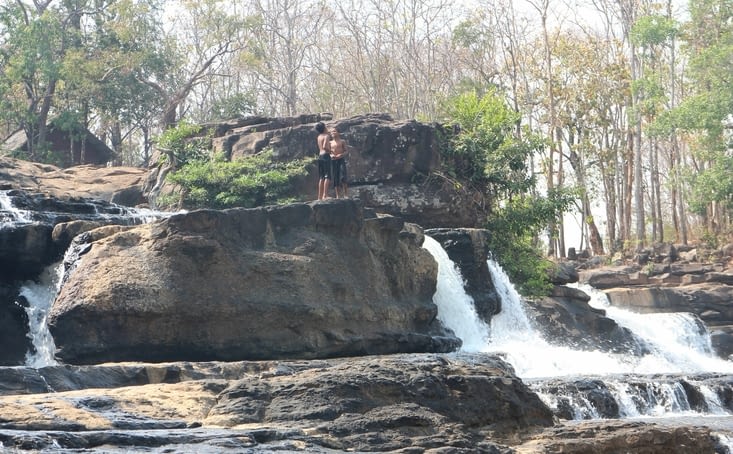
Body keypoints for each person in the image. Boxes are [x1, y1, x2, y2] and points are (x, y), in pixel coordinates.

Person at [329, 128, 349, 198]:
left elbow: (346, 151)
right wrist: (331, 155)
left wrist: (341, 155)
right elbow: (328, 152)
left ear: (338, 132)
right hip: (334, 161)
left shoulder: (342, 141)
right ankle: (337, 195)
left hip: (341, 160)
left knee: (343, 176)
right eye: (331, 132)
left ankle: (346, 194)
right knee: (335, 177)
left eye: (334, 131)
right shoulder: (330, 143)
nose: (333, 133)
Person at [315, 122, 332, 200]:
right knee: (327, 176)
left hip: (320, 156)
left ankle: (319, 197)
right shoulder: (326, 136)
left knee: (321, 177)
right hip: (325, 156)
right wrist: (330, 151)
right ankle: (325, 195)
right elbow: (325, 146)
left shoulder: (319, 136)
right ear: (324, 128)